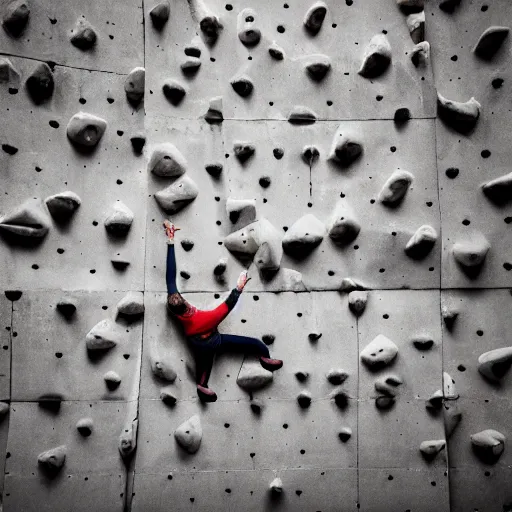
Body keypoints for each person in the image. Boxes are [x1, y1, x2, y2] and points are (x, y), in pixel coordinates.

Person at [163, 219, 283, 402]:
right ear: (183, 310)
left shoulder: (174, 302)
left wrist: (170, 240)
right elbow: (225, 308)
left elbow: (170, 277)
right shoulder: (201, 319)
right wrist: (239, 287)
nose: (187, 303)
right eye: (185, 304)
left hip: (195, 342)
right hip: (212, 340)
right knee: (251, 344)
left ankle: (202, 385)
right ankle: (264, 357)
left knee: (205, 365)